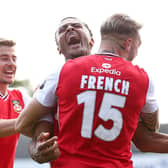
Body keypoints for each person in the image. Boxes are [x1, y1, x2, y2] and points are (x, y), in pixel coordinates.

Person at [15, 14, 160, 168]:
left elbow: (144, 139)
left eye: (76, 26)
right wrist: (36, 150)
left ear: (92, 41)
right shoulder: (51, 85)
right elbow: (38, 137)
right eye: (62, 29)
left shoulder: (128, 79)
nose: (70, 28)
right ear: (59, 48)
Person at [0, 38, 31, 168]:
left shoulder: (19, 96)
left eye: (14, 58)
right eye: (4, 58)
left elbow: (39, 126)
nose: (11, 63)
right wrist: (24, 122)